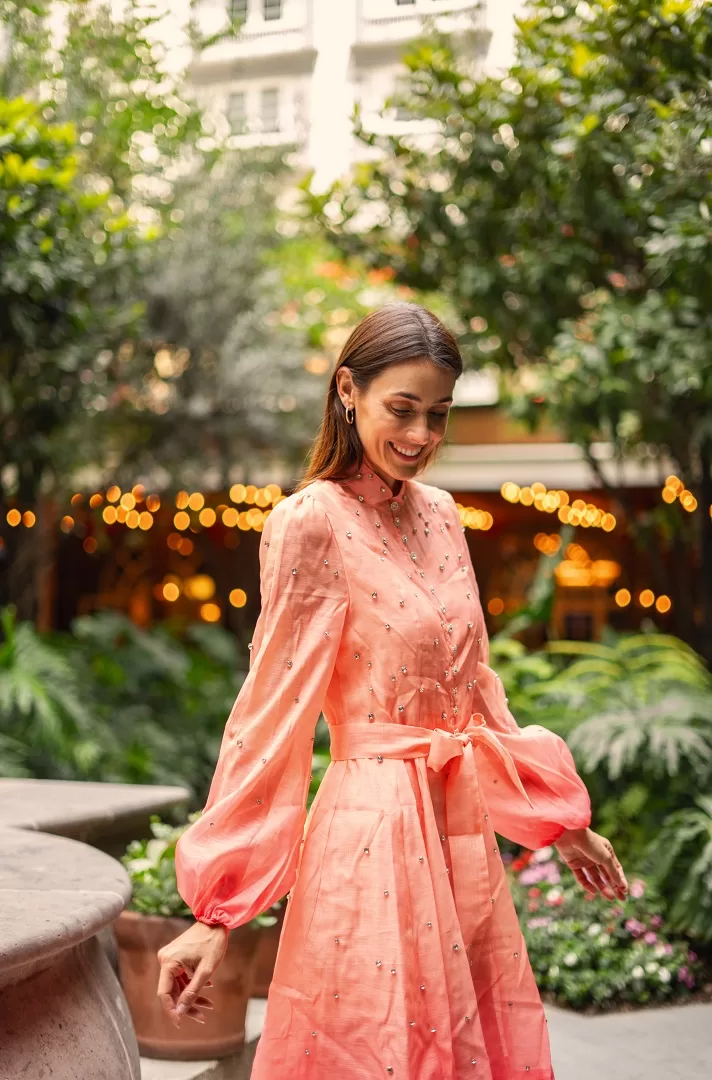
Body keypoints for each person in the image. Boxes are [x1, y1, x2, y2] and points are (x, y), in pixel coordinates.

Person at [157, 303, 628, 1078]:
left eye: (438, 416)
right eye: (402, 410)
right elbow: (270, 717)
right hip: (370, 837)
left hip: (457, 835)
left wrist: (557, 821)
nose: (421, 437)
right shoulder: (309, 522)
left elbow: (476, 690)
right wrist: (218, 914)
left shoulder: (444, 516)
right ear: (349, 390)